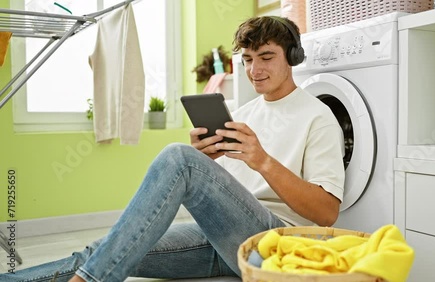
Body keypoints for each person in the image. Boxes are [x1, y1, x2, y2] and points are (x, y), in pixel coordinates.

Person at [2, 15, 345, 282]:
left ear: (292, 58)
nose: (255, 70)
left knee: (178, 158)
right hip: (224, 239)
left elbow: (326, 213)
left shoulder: (318, 116)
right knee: (105, 250)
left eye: (266, 57)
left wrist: (263, 161)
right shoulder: (242, 114)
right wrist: (205, 160)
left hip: (276, 244)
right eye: (247, 59)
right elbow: (227, 197)